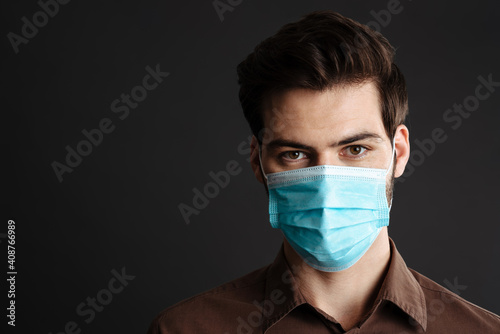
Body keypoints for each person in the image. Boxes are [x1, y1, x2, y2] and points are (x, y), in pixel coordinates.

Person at [147, 10, 500, 333]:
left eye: (355, 149)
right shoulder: (185, 329)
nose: (326, 184)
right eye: (295, 154)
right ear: (258, 161)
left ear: (399, 152)